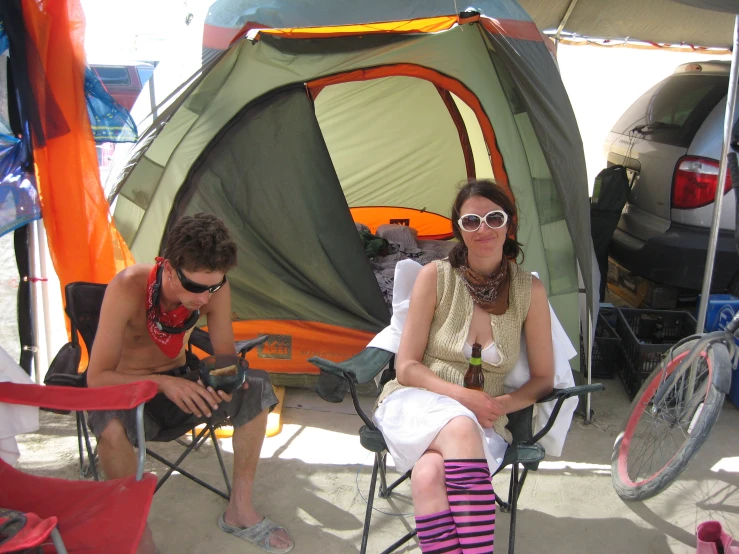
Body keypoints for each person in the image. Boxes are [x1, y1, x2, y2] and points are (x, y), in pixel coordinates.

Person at [86, 213, 294, 554]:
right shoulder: (126, 287)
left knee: (256, 389)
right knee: (109, 426)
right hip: (126, 392)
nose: (203, 298)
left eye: (212, 286)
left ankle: (239, 510)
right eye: (196, 287)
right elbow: (97, 378)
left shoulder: (215, 290)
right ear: (168, 268)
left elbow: (224, 355)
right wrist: (162, 385)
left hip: (182, 383)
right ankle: (135, 529)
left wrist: (231, 377)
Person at [374, 179, 554, 553]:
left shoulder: (528, 292)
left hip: (483, 421)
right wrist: (464, 399)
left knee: (427, 476)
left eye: (494, 218)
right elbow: (405, 367)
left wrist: (499, 405)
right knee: (458, 427)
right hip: (416, 401)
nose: (483, 229)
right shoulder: (435, 277)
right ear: (459, 227)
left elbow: (542, 379)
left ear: (510, 224)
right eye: (471, 221)